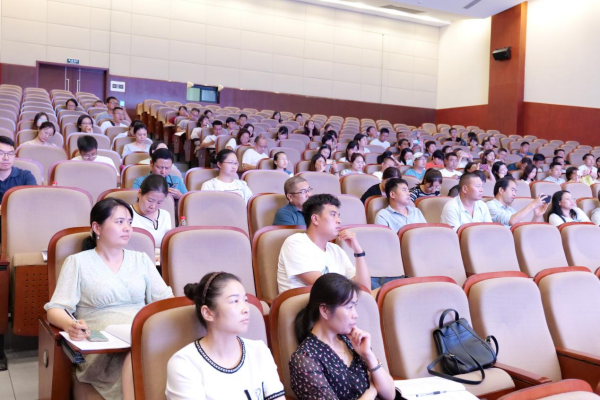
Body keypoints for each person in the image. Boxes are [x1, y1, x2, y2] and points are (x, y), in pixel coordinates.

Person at [44, 198, 173, 399]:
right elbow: (55, 309)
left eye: (130, 222)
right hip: (103, 349)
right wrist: (71, 325)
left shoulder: (141, 260)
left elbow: (166, 303)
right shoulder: (78, 262)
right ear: (97, 227)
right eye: (120, 222)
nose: (127, 228)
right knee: (137, 358)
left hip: (143, 338)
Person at [166, 272, 285, 400]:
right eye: (235, 301)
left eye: (245, 300)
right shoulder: (184, 364)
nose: (246, 309)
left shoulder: (259, 350)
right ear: (208, 313)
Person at [289, 274, 399, 400]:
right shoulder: (305, 359)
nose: (355, 315)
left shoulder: (352, 340)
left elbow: (390, 395)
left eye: (355, 306)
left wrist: (368, 356)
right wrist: (372, 390)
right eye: (349, 307)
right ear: (325, 310)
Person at [277, 194, 372, 293]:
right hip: (305, 301)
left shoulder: (336, 249)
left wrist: (358, 252)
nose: (339, 220)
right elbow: (324, 287)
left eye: (338, 216)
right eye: (333, 215)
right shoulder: (295, 243)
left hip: (338, 300)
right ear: (315, 219)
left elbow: (365, 289)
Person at [130, 174, 172, 248]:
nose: (153, 206)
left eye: (159, 202)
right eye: (150, 200)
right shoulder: (126, 214)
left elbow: (168, 246)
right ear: (139, 193)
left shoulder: (165, 215)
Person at [0, 136, 37, 202]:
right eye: (1, 153)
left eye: (10, 154)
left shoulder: (26, 176)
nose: (6, 158)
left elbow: (33, 201)